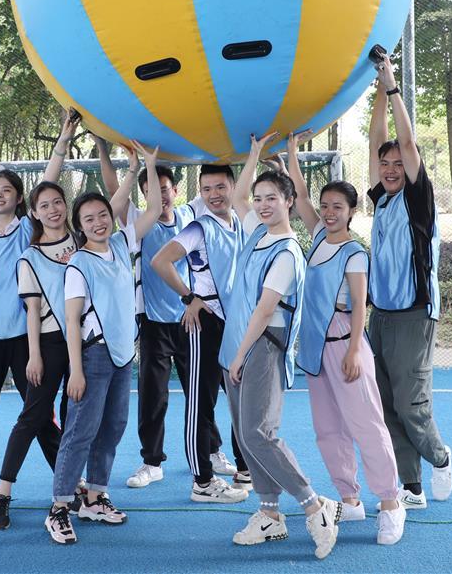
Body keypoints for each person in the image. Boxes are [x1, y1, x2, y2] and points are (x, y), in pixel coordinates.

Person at [219, 133, 340, 560]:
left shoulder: (287, 252)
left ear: (289, 201)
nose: (262, 204)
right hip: (237, 348)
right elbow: (237, 198)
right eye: (260, 198)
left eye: (272, 197)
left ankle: (314, 506)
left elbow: (264, 309)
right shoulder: (257, 232)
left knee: (259, 433)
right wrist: (254, 154)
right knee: (246, 436)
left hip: (261, 348)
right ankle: (270, 513)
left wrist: (238, 356)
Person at [0, 112, 80, 512]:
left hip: (29, 335)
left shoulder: (29, 228)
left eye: (7, 190)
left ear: (18, 198)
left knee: (39, 411)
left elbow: (50, 178)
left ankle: (67, 482)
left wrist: (63, 140)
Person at [286, 132, 405, 545]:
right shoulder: (319, 236)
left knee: (367, 426)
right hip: (316, 351)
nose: (328, 212)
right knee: (328, 430)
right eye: (325, 206)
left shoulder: (354, 253)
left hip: (345, 346)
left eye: (337, 206)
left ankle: (390, 503)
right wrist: (292, 151)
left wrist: (355, 349)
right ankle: (349, 498)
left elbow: (359, 305)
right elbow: (300, 193)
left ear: (352, 211)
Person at [45, 142, 161, 545]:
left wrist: (143, 167)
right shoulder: (78, 263)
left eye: (102, 216)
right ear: (79, 226)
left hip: (123, 356)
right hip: (93, 356)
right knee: (80, 431)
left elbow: (153, 209)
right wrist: (75, 371)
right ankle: (60, 507)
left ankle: (95, 497)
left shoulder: (121, 244)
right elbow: (71, 321)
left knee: (112, 428)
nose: (98, 222)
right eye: (89, 218)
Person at [113, 165, 238, 490]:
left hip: (191, 321)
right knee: (153, 396)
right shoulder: (140, 223)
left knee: (202, 394)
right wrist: (118, 155)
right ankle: (152, 462)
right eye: (151, 191)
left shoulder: (190, 215)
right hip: (155, 324)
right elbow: (115, 192)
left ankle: (212, 451)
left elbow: (221, 185)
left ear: (176, 191)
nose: (160, 195)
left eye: (165, 189)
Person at [367, 53, 452, 509]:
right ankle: (411, 486)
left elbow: (404, 141)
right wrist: (377, 92)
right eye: (386, 164)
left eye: (398, 164)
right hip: (380, 316)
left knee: (410, 404)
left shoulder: (418, 199)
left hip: (414, 315)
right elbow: (377, 140)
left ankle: (440, 457)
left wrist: (392, 84)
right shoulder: (381, 198)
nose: (390, 168)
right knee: (385, 404)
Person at [151, 164, 250, 503]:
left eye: (220, 187)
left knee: (241, 398)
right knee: (201, 403)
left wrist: (255, 154)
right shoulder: (199, 227)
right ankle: (203, 482)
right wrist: (189, 297)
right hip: (205, 322)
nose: (213, 195)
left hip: (236, 323)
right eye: (206, 189)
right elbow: (161, 261)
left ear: (233, 187)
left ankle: (245, 468)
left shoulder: (240, 223)